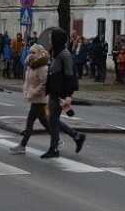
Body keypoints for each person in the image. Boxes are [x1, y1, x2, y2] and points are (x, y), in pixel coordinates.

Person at [41, 27, 86, 159]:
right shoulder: (54, 52)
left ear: (57, 39)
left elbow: (70, 75)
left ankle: (54, 148)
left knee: (53, 120)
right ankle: (77, 136)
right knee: (52, 119)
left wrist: (68, 95)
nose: (49, 39)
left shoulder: (65, 55)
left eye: (51, 37)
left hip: (60, 92)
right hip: (54, 91)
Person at [10, 44, 51, 154]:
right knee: (43, 120)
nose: (31, 54)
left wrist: (35, 92)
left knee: (30, 121)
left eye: (33, 53)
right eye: (30, 52)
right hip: (36, 97)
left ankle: (22, 146)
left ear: (39, 53)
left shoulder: (42, 66)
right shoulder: (32, 64)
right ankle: (57, 138)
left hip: (40, 98)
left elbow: (45, 83)